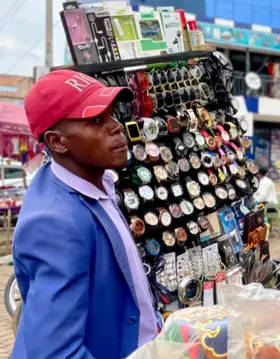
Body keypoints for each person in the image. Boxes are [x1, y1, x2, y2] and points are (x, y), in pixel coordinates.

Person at [12, 70, 157, 359]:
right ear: (57, 142)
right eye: (95, 120)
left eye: (112, 115)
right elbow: (56, 354)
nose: (117, 127)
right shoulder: (55, 224)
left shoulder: (97, 181)